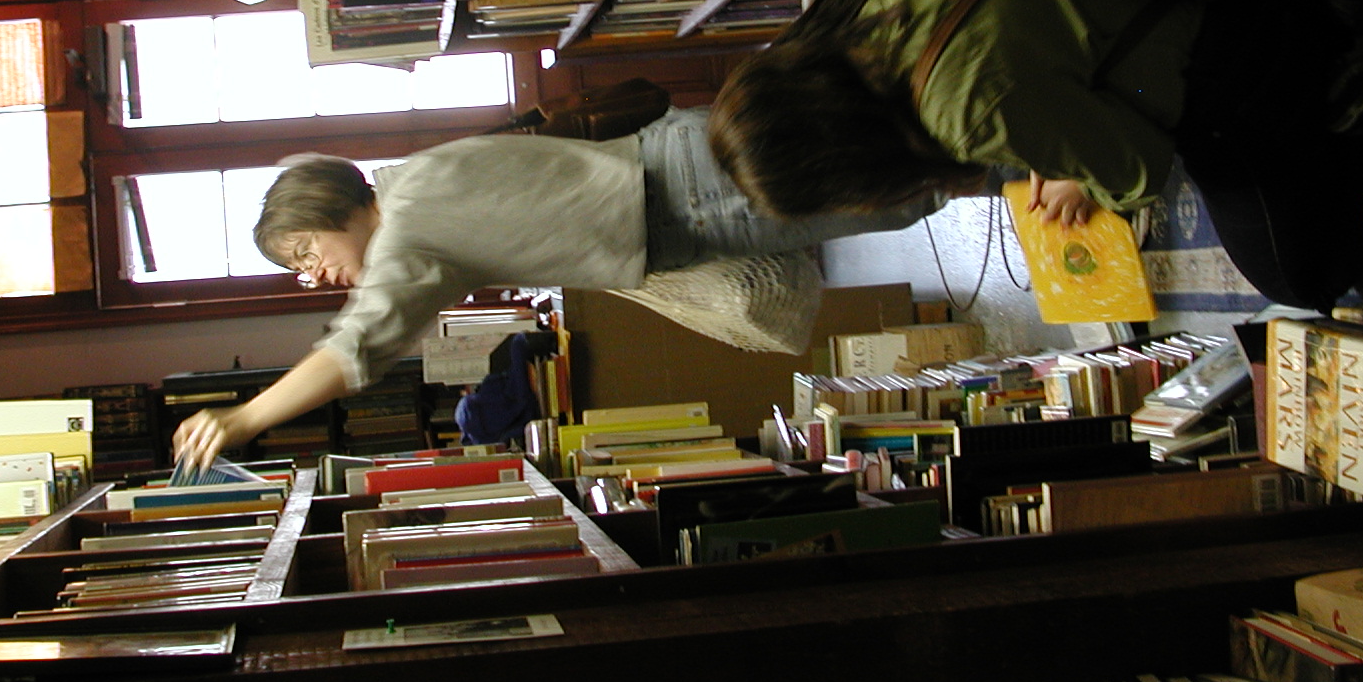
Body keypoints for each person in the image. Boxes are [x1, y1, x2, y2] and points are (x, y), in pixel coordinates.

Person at [706, 0, 1363, 312]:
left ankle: (1360, 81)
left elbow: (1141, 166)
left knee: (1298, 278)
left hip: (1226, 44)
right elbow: (1036, 32)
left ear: (844, 165)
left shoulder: (961, 112)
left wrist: (1075, 173)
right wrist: (1050, 137)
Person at [169, 105, 944, 468]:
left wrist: (244, 417)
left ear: (330, 206)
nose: (313, 274)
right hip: (682, 172)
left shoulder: (408, 228)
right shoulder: (411, 182)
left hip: (695, 197)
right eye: (299, 270)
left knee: (905, 184)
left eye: (304, 250)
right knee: (899, 156)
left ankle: (1016, 152)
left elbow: (356, 346)